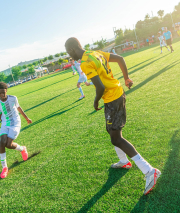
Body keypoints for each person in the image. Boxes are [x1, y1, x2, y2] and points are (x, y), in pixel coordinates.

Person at [65, 37, 161, 195]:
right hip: (117, 93)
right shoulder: (94, 53)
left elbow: (100, 87)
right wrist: (126, 78)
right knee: (111, 132)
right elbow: (120, 59)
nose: (70, 56)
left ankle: (149, 171)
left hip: (112, 99)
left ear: (74, 49)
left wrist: (95, 101)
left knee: (116, 138)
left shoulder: (85, 62)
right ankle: (124, 161)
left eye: (69, 52)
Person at [0, 82, 32, 178]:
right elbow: (0, 112)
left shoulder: (13, 98)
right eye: (0, 93)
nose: (2, 95)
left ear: (6, 91)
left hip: (15, 122)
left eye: (4, 92)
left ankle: (22, 149)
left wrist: (27, 118)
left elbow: (19, 108)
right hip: (5, 123)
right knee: (2, 142)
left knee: (9, 145)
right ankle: (4, 168)